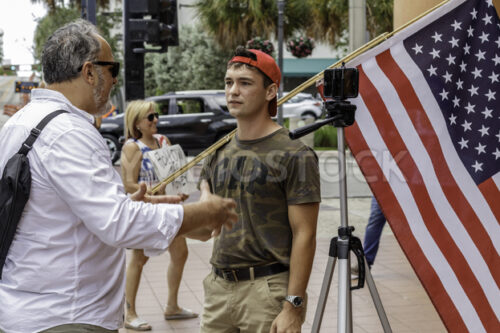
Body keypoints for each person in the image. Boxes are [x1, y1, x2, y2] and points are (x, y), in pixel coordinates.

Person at [0, 19, 237, 333]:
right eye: (113, 69)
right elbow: (117, 224)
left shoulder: (21, 123)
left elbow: (57, 208)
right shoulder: (69, 131)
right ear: (89, 72)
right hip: (66, 315)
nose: (114, 80)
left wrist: (127, 201)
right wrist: (201, 213)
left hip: (26, 309)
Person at [199, 47, 321, 333]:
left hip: (267, 291)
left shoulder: (295, 154)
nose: (233, 91)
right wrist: (170, 211)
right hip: (218, 288)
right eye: (229, 82)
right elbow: (206, 231)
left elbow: (306, 234)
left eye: (245, 83)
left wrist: (293, 305)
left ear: (270, 92)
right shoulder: (218, 153)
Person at [120, 100, 197, 331]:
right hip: (147, 208)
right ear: (137, 123)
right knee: (139, 258)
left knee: (180, 252)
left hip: (168, 207)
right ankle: (130, 312)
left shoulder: (164, 141)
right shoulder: (132, 147)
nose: (155, 120)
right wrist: (149, 191)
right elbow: (127, 183)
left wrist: (180, 190)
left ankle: (172, 306)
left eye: (156, 116)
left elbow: (176, 173)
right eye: (150, 117)